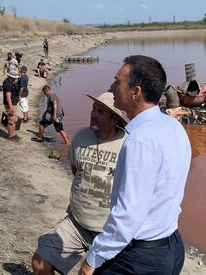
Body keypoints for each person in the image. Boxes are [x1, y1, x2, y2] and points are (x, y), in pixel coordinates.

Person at [78, 55, 192, 275]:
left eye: (117, 81)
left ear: (135, 92)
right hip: (171, 245)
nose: (111, 87)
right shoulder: (172, 126)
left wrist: (92, 259)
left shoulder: (140, 140)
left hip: (141, 257)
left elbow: (128, 213)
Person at [32, 92, 127, 275]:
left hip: (108, 230)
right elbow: (76, 171)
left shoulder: (127, 144)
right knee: (40, 263)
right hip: (76, 223)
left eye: (100, 111)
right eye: (93, 108)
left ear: (114, 117)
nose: (93, 114)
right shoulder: (81, 137)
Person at [3, 66, 21, 141]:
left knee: (13, 120)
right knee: (11, 120)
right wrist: (10, 108)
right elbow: (8, 97)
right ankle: (10, 135)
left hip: (13, 103)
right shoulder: (8, 84)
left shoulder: (9, 82)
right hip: (10, 104)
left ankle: (13, 134)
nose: (16, 78)